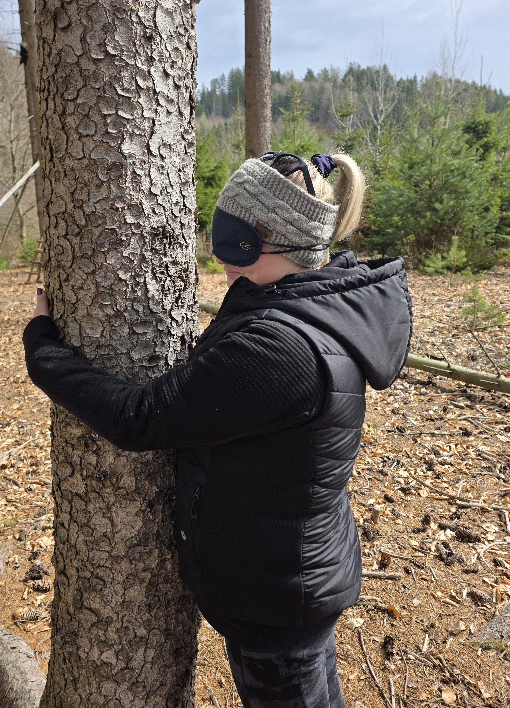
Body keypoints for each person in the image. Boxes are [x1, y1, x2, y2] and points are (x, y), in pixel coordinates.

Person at [23, 151, 412, 708]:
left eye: (227, 237)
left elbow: (141, 418)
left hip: (275, 596)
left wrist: (43, 351)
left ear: (257, 241)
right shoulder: (306, 301)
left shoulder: (281, 349)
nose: (218, 256)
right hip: (290, 574)